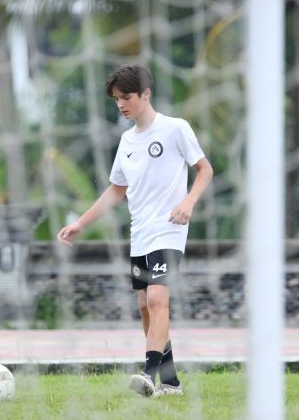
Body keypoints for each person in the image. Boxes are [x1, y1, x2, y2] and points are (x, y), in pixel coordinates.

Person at [57, 64, 213, 397]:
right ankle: (170, 381)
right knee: (145, 307)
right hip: (139, 233)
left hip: (169, 230)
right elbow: (117, 189)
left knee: (158, 300)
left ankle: (147, 374)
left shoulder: (175, 129)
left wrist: (188, 203)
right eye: (116, 99)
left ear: (146, 94)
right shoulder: (127, 141)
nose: (121, 104)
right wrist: (80, 224)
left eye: (126, 96)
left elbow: (204, 170)